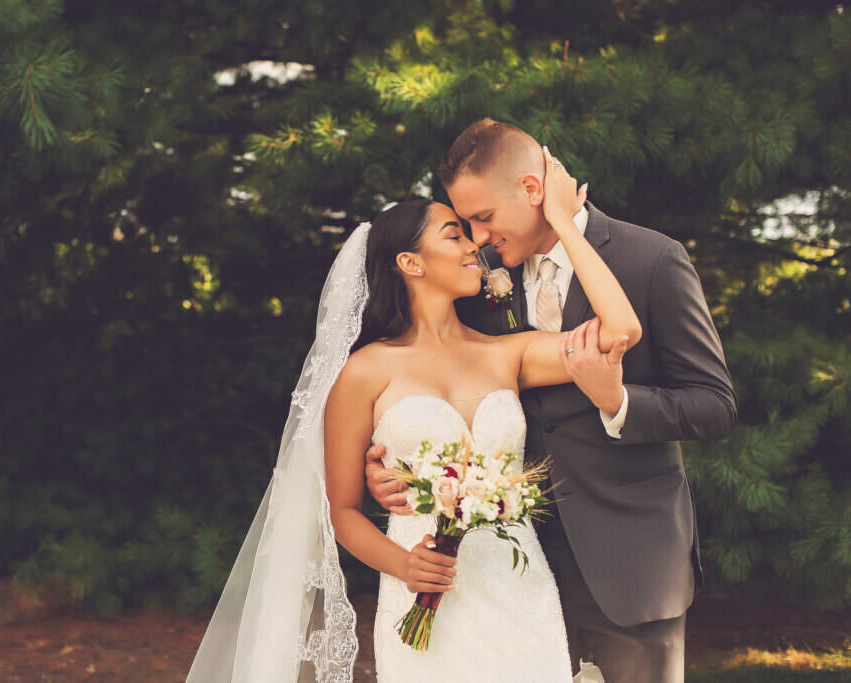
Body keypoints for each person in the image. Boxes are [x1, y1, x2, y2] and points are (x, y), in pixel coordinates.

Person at [187, 149, 639, 682]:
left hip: (520, 588)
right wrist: (403, 565)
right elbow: (343, 512)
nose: (476, 245)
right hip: (423, 594)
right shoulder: (364, 372)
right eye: (454, 234)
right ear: (410, 262)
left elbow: (619, 331)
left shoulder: (507, 353)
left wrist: (563, 223)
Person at [366, 119, 737, 683]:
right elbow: (431, 374)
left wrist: (618, 403)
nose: (478, 237)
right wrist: (395, 469)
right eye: (464, 224)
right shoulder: (476, 277)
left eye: (484, 218)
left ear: (533, 190)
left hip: (630, 561)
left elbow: (713, 405)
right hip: (510, 572)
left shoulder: (651, 260)